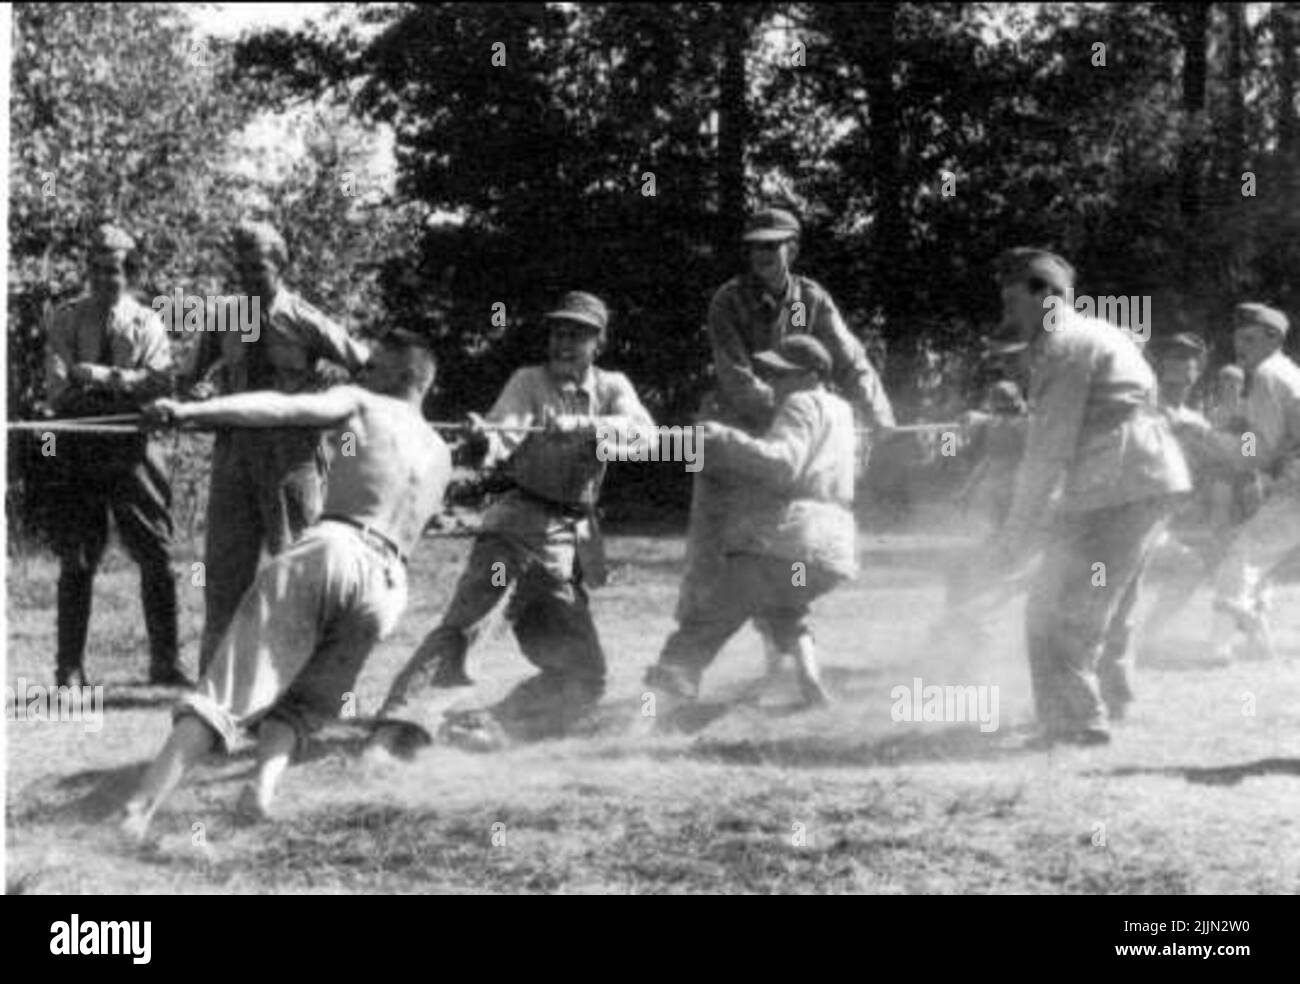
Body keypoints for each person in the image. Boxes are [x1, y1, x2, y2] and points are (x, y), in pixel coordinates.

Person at [118, 330, 450, 840]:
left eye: (374, 366)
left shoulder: (360, 402)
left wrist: (189, 413)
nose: (361, 372)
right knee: (307, 705)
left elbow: (279, 408)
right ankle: (259, 794)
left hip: (334, 548)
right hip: (387, 588)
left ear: (404, 376)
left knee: (226, 690)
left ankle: (137, 812)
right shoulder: (441, 451)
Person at [369, 291, 655, 752]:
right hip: (515, 534)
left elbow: (646, 437)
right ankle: (394, 730)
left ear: (598, 342)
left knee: (583, 676)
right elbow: (505, 431)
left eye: (576, 336)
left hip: (567, 547)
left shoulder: (612, 387)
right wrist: (486, 441)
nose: (563, 344)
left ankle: (489, 726)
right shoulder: (529, 382)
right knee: (467, 630)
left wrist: (588, 427)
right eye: (558, 333)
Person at [675, 206, 893, 677]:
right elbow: (735, 376)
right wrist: (797, 409)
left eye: (772, 246)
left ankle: (783, 663)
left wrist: (879, 416)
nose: (762, 255)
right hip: (732, 437)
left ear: (792, 248)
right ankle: (683, 664)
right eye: (755, 246)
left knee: (782, 552)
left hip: (788, 441)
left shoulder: (810, 300)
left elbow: (851, 358)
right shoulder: (728, 301)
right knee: (711, 553)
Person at [993, 248, 1191, 745]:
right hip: (1146, 478)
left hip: (1118, 485)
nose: (1008, 312)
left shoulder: (1065, 344)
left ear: (1046, 295)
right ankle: (1111, 694)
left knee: (1055, 607)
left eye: (1014, 298)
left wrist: (1017, 532)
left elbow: (1048, 450)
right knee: (1111, 600)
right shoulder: (1100, 332)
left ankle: (1076, 723)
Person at [188, 220, 370, 675]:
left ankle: (307, 681)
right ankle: (215, 685)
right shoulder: (225, 315)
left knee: (298, 570)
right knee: (225, 574)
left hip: (291, 458)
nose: (250, 276)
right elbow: (188, 377)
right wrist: (195, 396)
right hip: (234, 455)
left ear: (280, 265)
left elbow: (366, 364)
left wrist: (331, 393)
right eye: (243, 267)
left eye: (260, 267)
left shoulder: (304, 317)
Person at [643, 336, 855, 707]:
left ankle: (647, 718)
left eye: (780, 373)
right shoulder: (842, 411)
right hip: (828, 553)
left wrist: (724, 438)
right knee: (784, 608)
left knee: (703, 624)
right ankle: (811, 686)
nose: (771, 382)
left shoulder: (800, 403)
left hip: (786, 541)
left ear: (810, 375)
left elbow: (781, 463)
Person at [39, 223, 186, 687]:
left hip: (135, 451)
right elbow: (59, 392)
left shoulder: (149, 321)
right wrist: (124, 386)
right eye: (98, 269)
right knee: (77, 558)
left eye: (116, 271)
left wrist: (102, 378)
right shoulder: (65, 319)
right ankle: (69, 669)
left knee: (157, 555)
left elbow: (160, 384)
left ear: (130, 274)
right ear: (88, 271)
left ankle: (165, 663)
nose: (106, 278)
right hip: (80, 451)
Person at [1169, 303, 1300, 661]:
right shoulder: (1283, 371)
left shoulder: (1269, 376)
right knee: (1255, 555)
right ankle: (1253, 641)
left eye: (1249, 338)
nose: (1240, 346)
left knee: (1243, 554)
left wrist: (1203, 433)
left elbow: (1257, 452)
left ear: (1274, 338)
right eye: (1237, 338)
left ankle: (1220, 646)